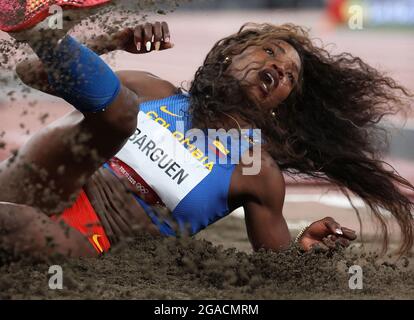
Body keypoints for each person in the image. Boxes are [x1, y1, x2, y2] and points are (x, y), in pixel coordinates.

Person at [1, 0, 411, 260]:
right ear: (232, 54)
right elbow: (30, 71)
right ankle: (38, 25)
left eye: (288, 76)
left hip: (86, 238)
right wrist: (110, 42)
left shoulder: (255, 170)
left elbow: (278, 268)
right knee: (117, 111)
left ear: (282, 102)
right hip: (40, 180)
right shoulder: (150, 89)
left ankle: (43, 28)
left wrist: (302, 252)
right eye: (269, 51)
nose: (277, 68)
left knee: (12, 223)